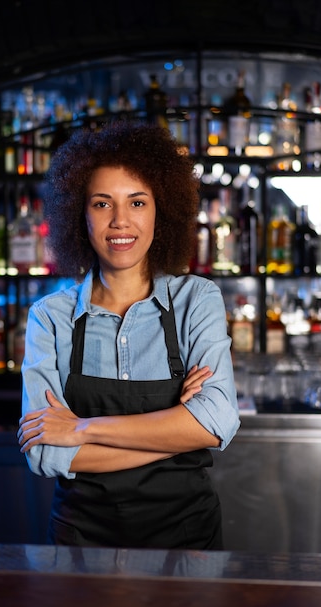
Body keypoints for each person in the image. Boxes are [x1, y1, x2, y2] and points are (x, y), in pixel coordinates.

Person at [17, 120, 240, 550]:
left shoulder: (197, 300)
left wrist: (80, 429)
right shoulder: (50, 318)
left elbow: (217, 423)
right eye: (102, 204)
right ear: (79, 215)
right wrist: (179, 436)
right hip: (81, 544)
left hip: (186, 544)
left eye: (137, 202)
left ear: (161, 210)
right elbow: (44, 454)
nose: (121, 221)